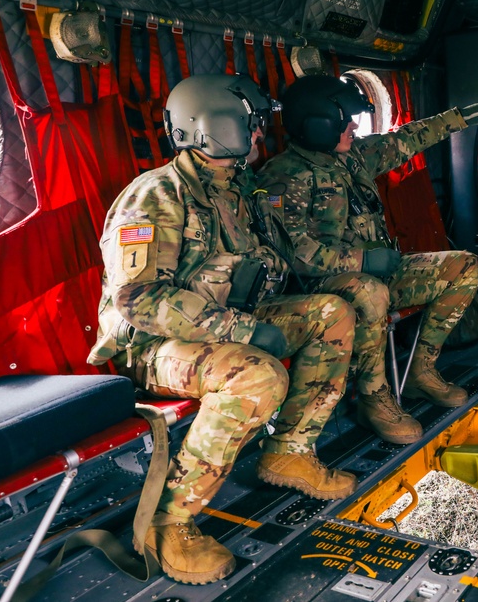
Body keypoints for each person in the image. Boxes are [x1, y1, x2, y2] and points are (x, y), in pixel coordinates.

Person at [88, 74, 359, 585]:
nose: (260, 137)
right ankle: (169, 521)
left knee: (332, 312)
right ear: (214, 128)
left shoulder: (234, 190)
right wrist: (242, 330)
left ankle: (290, 450)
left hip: (213, 330)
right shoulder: (154, 197)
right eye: (251, 127)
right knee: (256, 375)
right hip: (151, 346)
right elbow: (138, 300)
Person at [257, 75, 478, 444]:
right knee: (368, 291)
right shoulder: (283, 178)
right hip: (327, 288)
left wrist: (462, 118)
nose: (354, 126)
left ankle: (420, 372)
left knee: (462, 265)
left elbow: (407, 139)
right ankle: (373, 397)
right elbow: (293, 254)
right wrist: (361, 263)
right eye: (344, 120)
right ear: (317, 125)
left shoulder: (352, 158)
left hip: (378, 275)